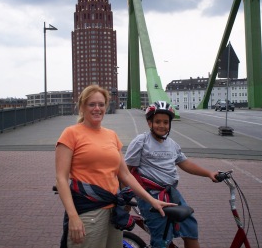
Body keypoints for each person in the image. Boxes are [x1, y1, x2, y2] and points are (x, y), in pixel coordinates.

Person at [55, 85, 175, 248]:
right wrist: (73, 216)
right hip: (88, 211)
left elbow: (125, 175)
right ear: (82, 106)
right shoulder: (71, 133)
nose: (97, 108)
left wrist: (151, 200)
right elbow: (61, 178)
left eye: (101, 104)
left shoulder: (111, 135)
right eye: (92, 104)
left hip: (114, 211)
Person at [124, 101, 219, 248]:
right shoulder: (141, 141)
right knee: (161, 238)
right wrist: (123, 198)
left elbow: (184, 163)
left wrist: (209, 173)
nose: (162, 125)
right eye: (157, 122)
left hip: (172, 193)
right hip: (150, 195)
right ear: (149, 123)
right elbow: (126, 170)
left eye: (165, 122)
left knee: (190, 229)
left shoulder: (172, 144)